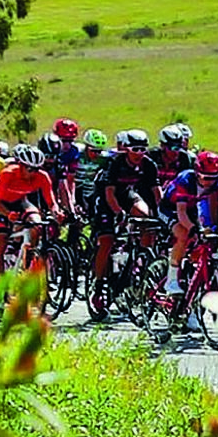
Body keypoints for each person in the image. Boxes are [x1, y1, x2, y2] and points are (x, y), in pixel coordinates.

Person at [87, 129, 160, 310]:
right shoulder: (115, 162)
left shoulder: (149, 165)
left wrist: (163, 215)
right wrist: (120, 214)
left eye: (143, 149)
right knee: (107, 240)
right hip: (106, 198)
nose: (139, 154)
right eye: (135, 149)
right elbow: (109, 193)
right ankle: (98, 285)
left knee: (147, 218)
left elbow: (157, 194)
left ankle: (141, 257)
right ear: (126, 148)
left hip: (128, 194)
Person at [160, 150, 218, 293]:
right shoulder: (185, 180)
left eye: (213, 177)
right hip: (170, 208)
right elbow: (181, 213)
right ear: (197, 173)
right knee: (184, 234)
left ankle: (188, 274)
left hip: (190, 208)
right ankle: (171, 279)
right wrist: (194, 229)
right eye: (206, 178)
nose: (210, 182)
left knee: (202, 242)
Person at [0, 145, 62, 281]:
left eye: (36, 169)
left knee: (37, 223)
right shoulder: (8, 174)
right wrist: (8, 214)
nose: (33, 173)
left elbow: (51, 201)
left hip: (19, 200)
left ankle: (27, 260)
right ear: (21, 165)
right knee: (1, 240)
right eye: (29, 168)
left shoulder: (42, 176)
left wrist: (57, 212)